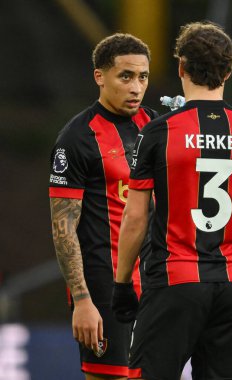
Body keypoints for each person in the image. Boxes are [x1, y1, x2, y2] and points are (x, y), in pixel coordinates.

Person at [111, 21, 232, 380]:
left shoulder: (159, 132)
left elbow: (136, 217)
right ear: (230, 71)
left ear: (181, 68)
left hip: (173, 283)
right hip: (230, 287)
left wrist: (123, 282)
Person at [49, 33, 158, 380]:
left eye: (142, 77)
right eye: (125, 76)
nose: (136, 87)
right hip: (105, 291)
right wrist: (82, 300)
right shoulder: (77, 138)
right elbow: (62, 226)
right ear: (100, 76)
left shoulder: (155, 127)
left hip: (158, 286)